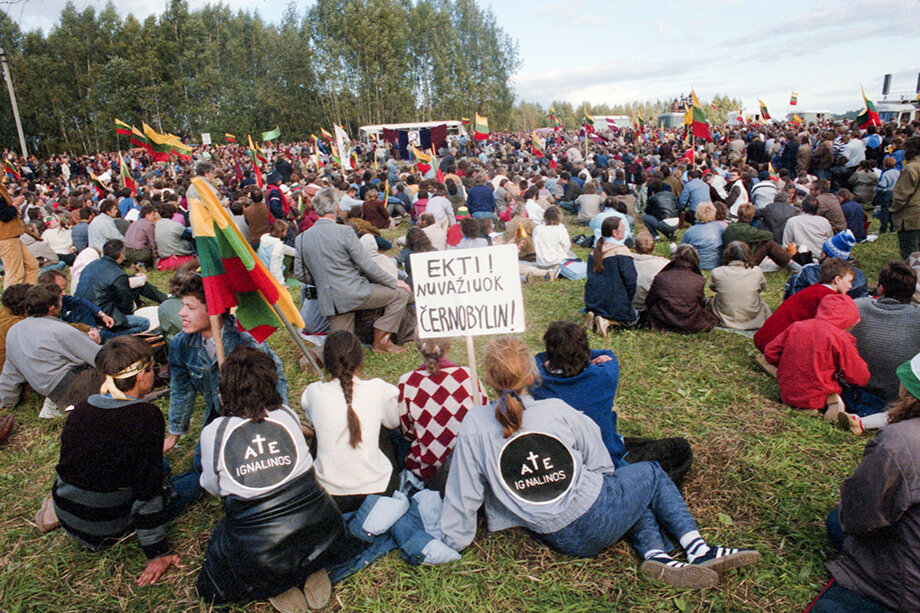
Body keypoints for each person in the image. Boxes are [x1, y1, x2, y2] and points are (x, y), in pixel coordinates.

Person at [440, 336, 760, 589]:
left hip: (556, 536)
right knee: (648, 473)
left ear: (486, 378)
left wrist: (454, 541)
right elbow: (601, 462)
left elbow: (463, 489)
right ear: (532, 373)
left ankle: (657, 556)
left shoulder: (473, 424)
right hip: (595, 514)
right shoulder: (557, 410)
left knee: (630, 493)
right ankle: (698, 548)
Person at [196, 346, 360, 610]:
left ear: (225, 389)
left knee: (222, 538)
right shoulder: (286, 413)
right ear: (271, 383)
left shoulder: (214, 432)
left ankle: (275, 582)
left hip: (263, 552)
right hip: (321, 528)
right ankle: (311, 564)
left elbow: (212, 487)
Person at [36, 336, 200, 586]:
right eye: (152, 368)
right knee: (200, 480)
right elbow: (147, 492)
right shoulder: (146, 416)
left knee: (161, 466)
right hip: (104, 527)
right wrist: (157, 553)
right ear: (142, 375)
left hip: (68, 514)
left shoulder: (82, 407)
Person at [806, 353, 920, 612]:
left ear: (909, 389)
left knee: (837, 521)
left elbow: (859, 518)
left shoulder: (900, 441)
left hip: (905, 591)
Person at [531, 321, 693, 481]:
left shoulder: (536, 382)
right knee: (679, 448)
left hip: (557, 466)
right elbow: (607, 353)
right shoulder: (605, 374)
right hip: (605, 463)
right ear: (584, 349)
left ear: (549, 353)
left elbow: (535, 359)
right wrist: (586, 359)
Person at [163, 274, 288, 453]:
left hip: (254, 415)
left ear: (214, 310)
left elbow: (276, 380)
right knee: (201, 463)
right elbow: (181, 390)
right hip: (218, 416)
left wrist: (280, 422)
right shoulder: (180, 345)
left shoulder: (247, 339)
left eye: (190, 307)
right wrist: (174, 435)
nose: (181, 313)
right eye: (183, 305)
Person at [296, 188, 413, 354]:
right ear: (337, 208)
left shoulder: (301, 238)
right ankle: (382, 341)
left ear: (316, 208)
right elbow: (367, 265)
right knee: (401, 294)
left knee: (342, 343)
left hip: (331, 299)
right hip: (355, 292)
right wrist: (393, 281)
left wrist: (326, 280)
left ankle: (311, 358)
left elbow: (300, 274)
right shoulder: (345, 231)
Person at [837, 262, 920, 433]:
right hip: (900, 401)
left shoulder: (855, 306)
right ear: (912, 293)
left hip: (848, 394)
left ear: (881, 288)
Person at [396, 337, 484, 491]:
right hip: (469, 467)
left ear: (418, 346)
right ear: (449, 345)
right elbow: (482, 417)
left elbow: (406, 432)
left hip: (426, 470)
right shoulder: (467, 375)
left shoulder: (407, 382)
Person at [0, 283, 100, 418]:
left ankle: (57, 405)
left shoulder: (14, 331)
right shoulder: (61, 330)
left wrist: (6, 405)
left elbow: (10, 374)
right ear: (52, 307)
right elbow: (100, 358)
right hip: (78, 384)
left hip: (54, 393)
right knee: (127, 376)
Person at [764, 293, 869, 416]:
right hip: (818, 396)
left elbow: (770, 352)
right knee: (865, 397)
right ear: (849, 321)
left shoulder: (798, 326)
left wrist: (787, 365)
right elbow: (859, 377)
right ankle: (828, 406)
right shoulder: (840, 337)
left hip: (788, 394)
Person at [754, 257, 856, 354]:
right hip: (776, 346)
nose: (850, 286)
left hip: (764, 338)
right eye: (849, 281)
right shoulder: (830, 298)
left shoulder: (813, 289)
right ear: (837, 279)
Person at [74, 239, 167, 337]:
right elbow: (126, 305)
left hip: (83, 311)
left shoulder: (92, 265)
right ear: (122, 254)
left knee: (136, 284)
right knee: (144, 323)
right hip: (103, 316)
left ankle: (164, 298)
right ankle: (110, 334)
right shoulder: (118, 275)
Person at [646, 244, 718, 334]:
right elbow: (699, 303)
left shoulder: (662, 276)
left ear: (675, 256)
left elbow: (650, 300)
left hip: (663, 322)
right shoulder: (699, 280)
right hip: (690, 322)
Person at [584, 216, 637, 333]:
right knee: (635, 317)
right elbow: (631, 280)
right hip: (614, 302)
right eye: (623, 227)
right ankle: (606, 321)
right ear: (615, 232)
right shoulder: (622, 251)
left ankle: (593, 317)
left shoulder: (594, 253)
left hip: (592, 301)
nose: (625, 230)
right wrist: (628, 299)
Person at [784, 231, 869, 300]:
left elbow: (795, 297)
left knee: (793, 279)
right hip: (847, 317)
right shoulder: (860, 276)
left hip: (810, 316)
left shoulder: (808, 271)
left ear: (824, 254)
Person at [708, 242, 771, 330]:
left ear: (726, 255)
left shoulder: (717, 272)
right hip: (753, 320)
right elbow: (761, 288)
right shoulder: (757, 271)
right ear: (748, 255)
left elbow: (713, 287)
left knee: (711, 301)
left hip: (725, 320)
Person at [721, 203, 797, 270]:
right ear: (751, 216)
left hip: (729, 262)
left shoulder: (730, 227)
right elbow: (769, 235)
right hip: (745, 265)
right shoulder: (749, 231)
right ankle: (790, 263)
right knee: (768, 244)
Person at [0, 187, 38, 285]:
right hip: (6, 237)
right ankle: (11, 299)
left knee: (31, 265)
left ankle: (27, 296)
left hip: (11, 235)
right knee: (15, 274)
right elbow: (4, 215)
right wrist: (16, 204)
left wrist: (12, 203)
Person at [891, 136, 920, 260]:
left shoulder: (911, 168)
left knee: (911, 253)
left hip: (911, 216)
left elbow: (901, 196)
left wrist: (892, 210)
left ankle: (912, 276)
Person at [629, 231, 669, 317]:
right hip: (651, 307)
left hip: (628, 304)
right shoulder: (663, 264)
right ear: (653, 247)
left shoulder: (624, 261)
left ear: (635, 246)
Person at [679, 202, 724, 270]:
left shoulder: (690, 231)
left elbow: (681, 249)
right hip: (717, 263)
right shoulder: (720, 228)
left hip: (696, 265)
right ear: (714, 212)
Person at [532, 205, 572, 274]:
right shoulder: (561, 229)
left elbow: (535, 245)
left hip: (541, 264)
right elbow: (566, 246)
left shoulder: (537, 229)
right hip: (557, 262)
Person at [257, 219, 296, 285]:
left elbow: (284, 248)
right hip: (269, 275)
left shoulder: (265, 237)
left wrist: (297, 253)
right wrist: (281, 284)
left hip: (261, 270)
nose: (286, 233)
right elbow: (275, 268)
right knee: (284, 261)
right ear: (281, 232)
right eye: (285, 231)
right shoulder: (277, 246)